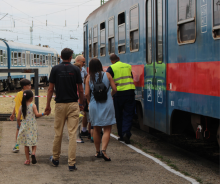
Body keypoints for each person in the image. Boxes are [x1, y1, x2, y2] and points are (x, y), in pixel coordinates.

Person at [45, 48, 84, 171]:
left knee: (58, 133)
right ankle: (71, 164)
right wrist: (81, 103)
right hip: (73, 104)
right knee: (72, 134)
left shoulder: (55, 69)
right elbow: (81, 89)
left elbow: (50, 89)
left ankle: (55, 159)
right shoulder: (75, 69)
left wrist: (47, 105)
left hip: (60, 104)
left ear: (61, 57)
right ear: (71, 57)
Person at [85, 58, 117, 161]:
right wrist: (109, 95)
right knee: (107, 129)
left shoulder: (89, 77)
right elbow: (115, 89)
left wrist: (90, 102)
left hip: (94, 106)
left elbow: (86, 94)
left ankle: (97, 152)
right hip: (107, 104)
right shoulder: (107, 75)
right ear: (100, 65)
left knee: (96, 129)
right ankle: (104, 150)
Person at [106, 54, 136, 144]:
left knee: (118, 114)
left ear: (111, 61)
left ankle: (121, 135)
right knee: (129, 114)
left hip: (118, 94)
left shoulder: (111, 68)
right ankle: (126, 132)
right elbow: (131, 77)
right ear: (119, 58)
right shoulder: (128, 66)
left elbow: (108, 80)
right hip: (130, 92)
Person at [16, 90, 48, 165]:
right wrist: (44, 113)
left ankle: (27, 160)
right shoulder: (33, 105)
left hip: (25, 126)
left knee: (26, 144)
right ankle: (33, 153)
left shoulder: (21, 107)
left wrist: (19, 124)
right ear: (31, 98)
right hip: (32, 126)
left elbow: (18, 118)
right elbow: (37, 114)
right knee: (34, 141)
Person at [10, 79, 31, 153]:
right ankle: (28, 149)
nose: (30, 86)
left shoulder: (18, 93)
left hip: (19, 117)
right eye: (29, 85)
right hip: (26, 117)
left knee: (18, 130)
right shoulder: (28, 94)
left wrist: (13, 114)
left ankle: (17, 146)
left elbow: (16, 105)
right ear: (24, 86)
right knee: (27, 132)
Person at [75, 55, 90, 138]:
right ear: (77, 61)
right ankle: (76, 134)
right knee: (78, 115)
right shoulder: (73, 70)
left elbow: (86, 78)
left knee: (81, 114)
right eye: (83, 62)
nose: (84, 63)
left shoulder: (83, 70)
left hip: (81, 96)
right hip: (76, 97)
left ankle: (80, 131)